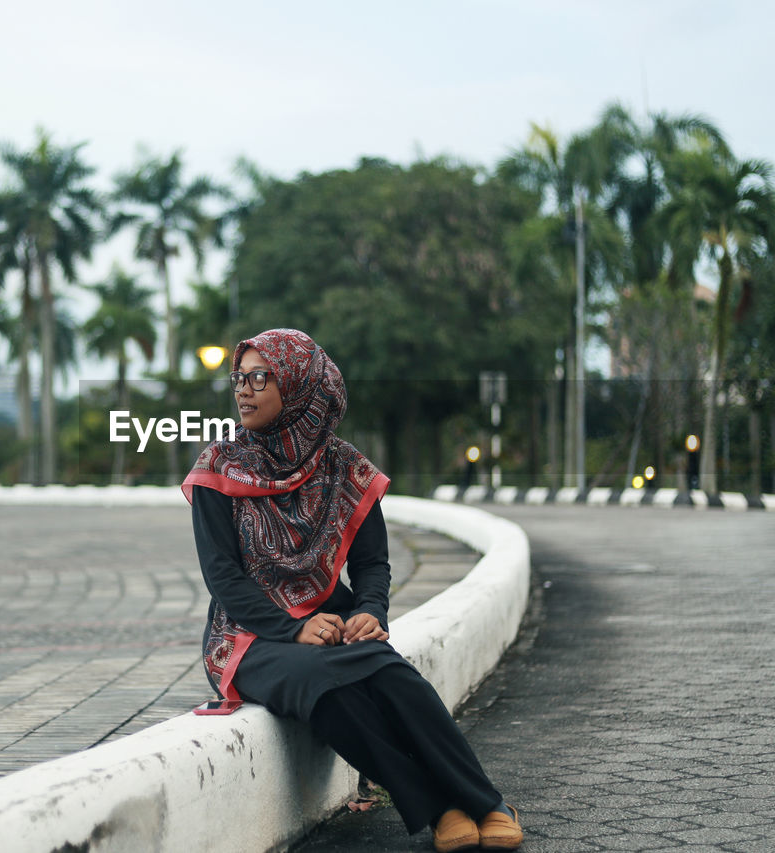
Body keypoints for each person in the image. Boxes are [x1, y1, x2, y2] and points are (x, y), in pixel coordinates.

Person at [183, 329, 522, 852]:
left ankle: (484, 801)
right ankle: (439, 807)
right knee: (325, 686)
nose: (243, 390)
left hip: (330, 621)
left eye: (259, 377)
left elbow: (371, 563)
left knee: (389, 671)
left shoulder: (345, 468)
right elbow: (223, 579)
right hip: (247, 637)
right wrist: (293, 629)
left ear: (298, 388)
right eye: (239, 378)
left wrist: (369, 610)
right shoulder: (218, 468)